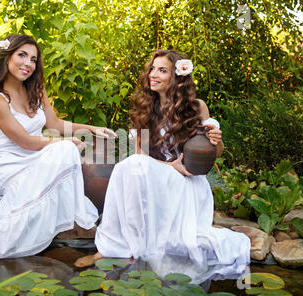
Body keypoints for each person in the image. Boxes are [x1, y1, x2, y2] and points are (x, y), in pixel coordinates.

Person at [74, 50, 250, 282]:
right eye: (152, 69)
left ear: (177, 77)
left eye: (162, 70)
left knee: (131, 166)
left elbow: (212, 157)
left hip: (188, 182)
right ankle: (110, 248)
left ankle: (132, 249)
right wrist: (170, 167)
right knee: (127, 166)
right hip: (161, 175)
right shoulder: (146, 109)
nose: (153, 75)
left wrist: (217, 142)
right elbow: (141, 156)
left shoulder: (197, 108)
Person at [0, 34, 116, 272]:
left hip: (37, 153)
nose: (28, 63)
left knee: (63, 153)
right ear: (7, 56)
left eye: (34, 59)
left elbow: (55, 124)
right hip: (9, 160)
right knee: (63, 152)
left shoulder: (37, 90)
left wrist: (92, 128)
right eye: (22, 55)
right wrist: (63, 143)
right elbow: (25, 141)